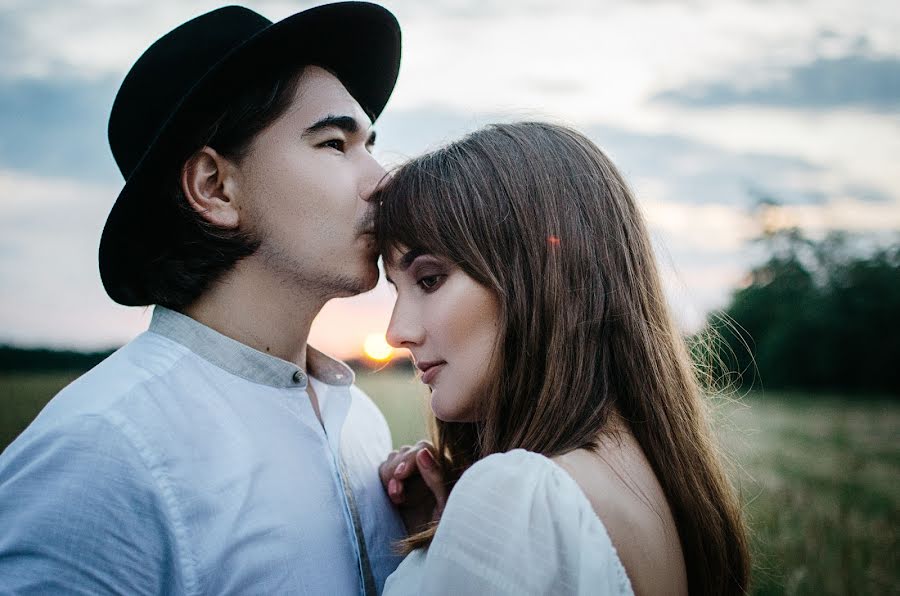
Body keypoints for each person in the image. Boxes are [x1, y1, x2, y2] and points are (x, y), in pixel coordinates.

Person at [0, 4, 406, 594]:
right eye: (334, 143)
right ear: (215, 188)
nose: (383, 177)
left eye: (370, 144)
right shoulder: (101, 455)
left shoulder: (360, 424)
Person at [374, 122, 751, 595]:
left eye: (429, 280)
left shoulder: (521, 498)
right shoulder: (652, 485)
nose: (396, 333)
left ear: (537, 276)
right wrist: (447, 543)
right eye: (396, 289)